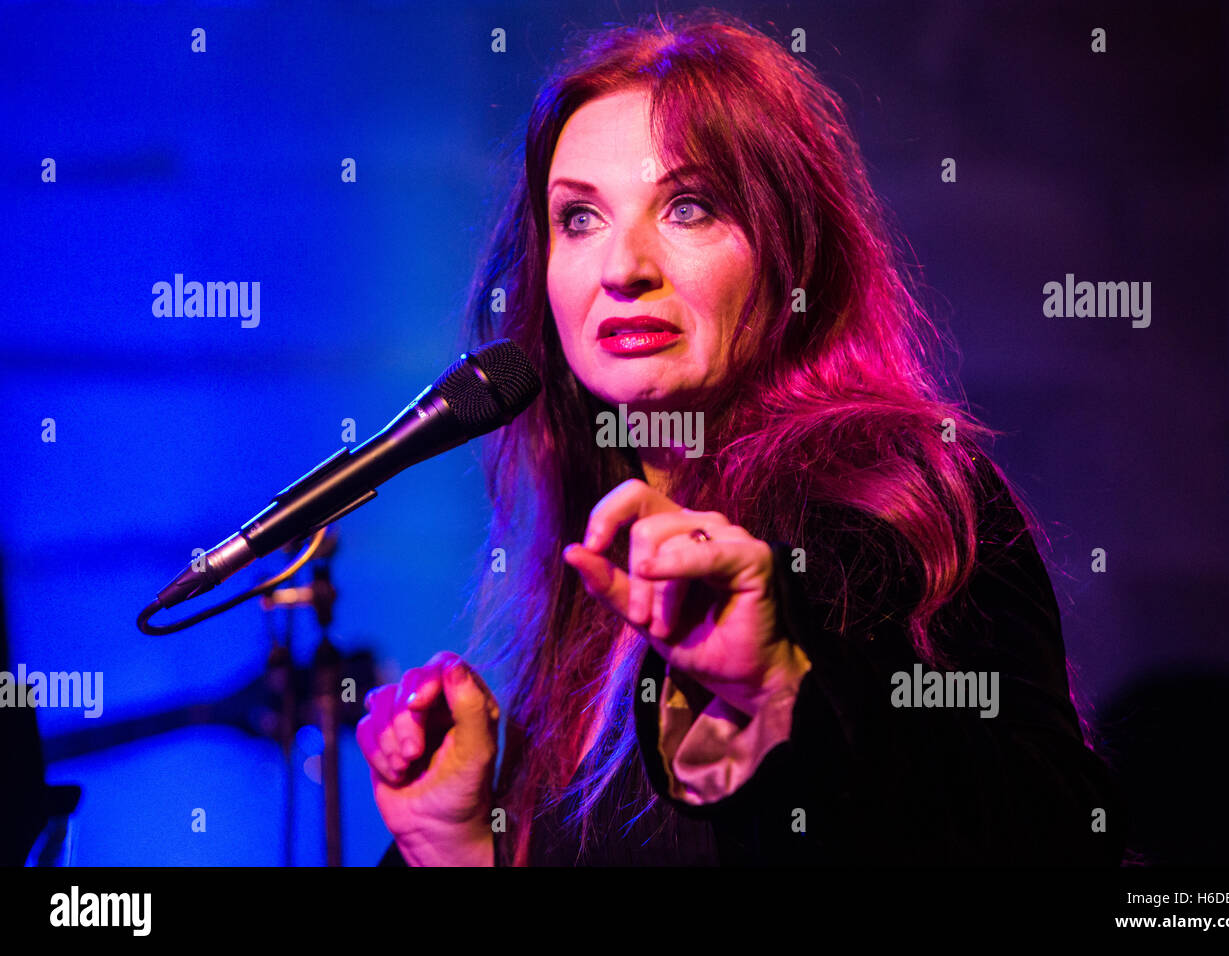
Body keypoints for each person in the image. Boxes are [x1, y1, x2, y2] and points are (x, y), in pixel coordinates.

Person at [358, 10, 1127, 867]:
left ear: (788, 250)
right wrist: (458, 847)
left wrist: (781, 688)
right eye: (579, 219)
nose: (623, 268)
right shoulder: (585, 568)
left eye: (688, 207)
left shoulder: (900, 504)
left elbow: (1052, 840)